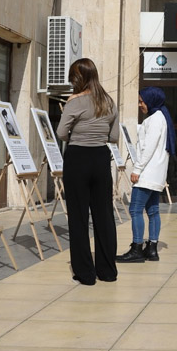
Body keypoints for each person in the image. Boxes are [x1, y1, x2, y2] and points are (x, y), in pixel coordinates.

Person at [56, 58, 119, 285]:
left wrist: (78, 131)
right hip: (101, 158)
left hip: (78, 158)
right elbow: (113, 137)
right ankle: (108, 271)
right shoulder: (109, 101)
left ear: (79, 77)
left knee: (79, 216)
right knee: (104, 215)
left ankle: (85, 273)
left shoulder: (75, 101)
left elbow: (62, 132)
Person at [117, 87, 175, 263]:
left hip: (147, 173)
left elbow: (147, 148)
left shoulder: (155, 119)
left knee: (135, 209)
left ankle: (137, 248)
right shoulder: (161, 117)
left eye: (142, 101)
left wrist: (137, 170)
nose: (140, 104)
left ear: (151, 100)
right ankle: (152, 249)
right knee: (152, 210)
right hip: (155, 173)